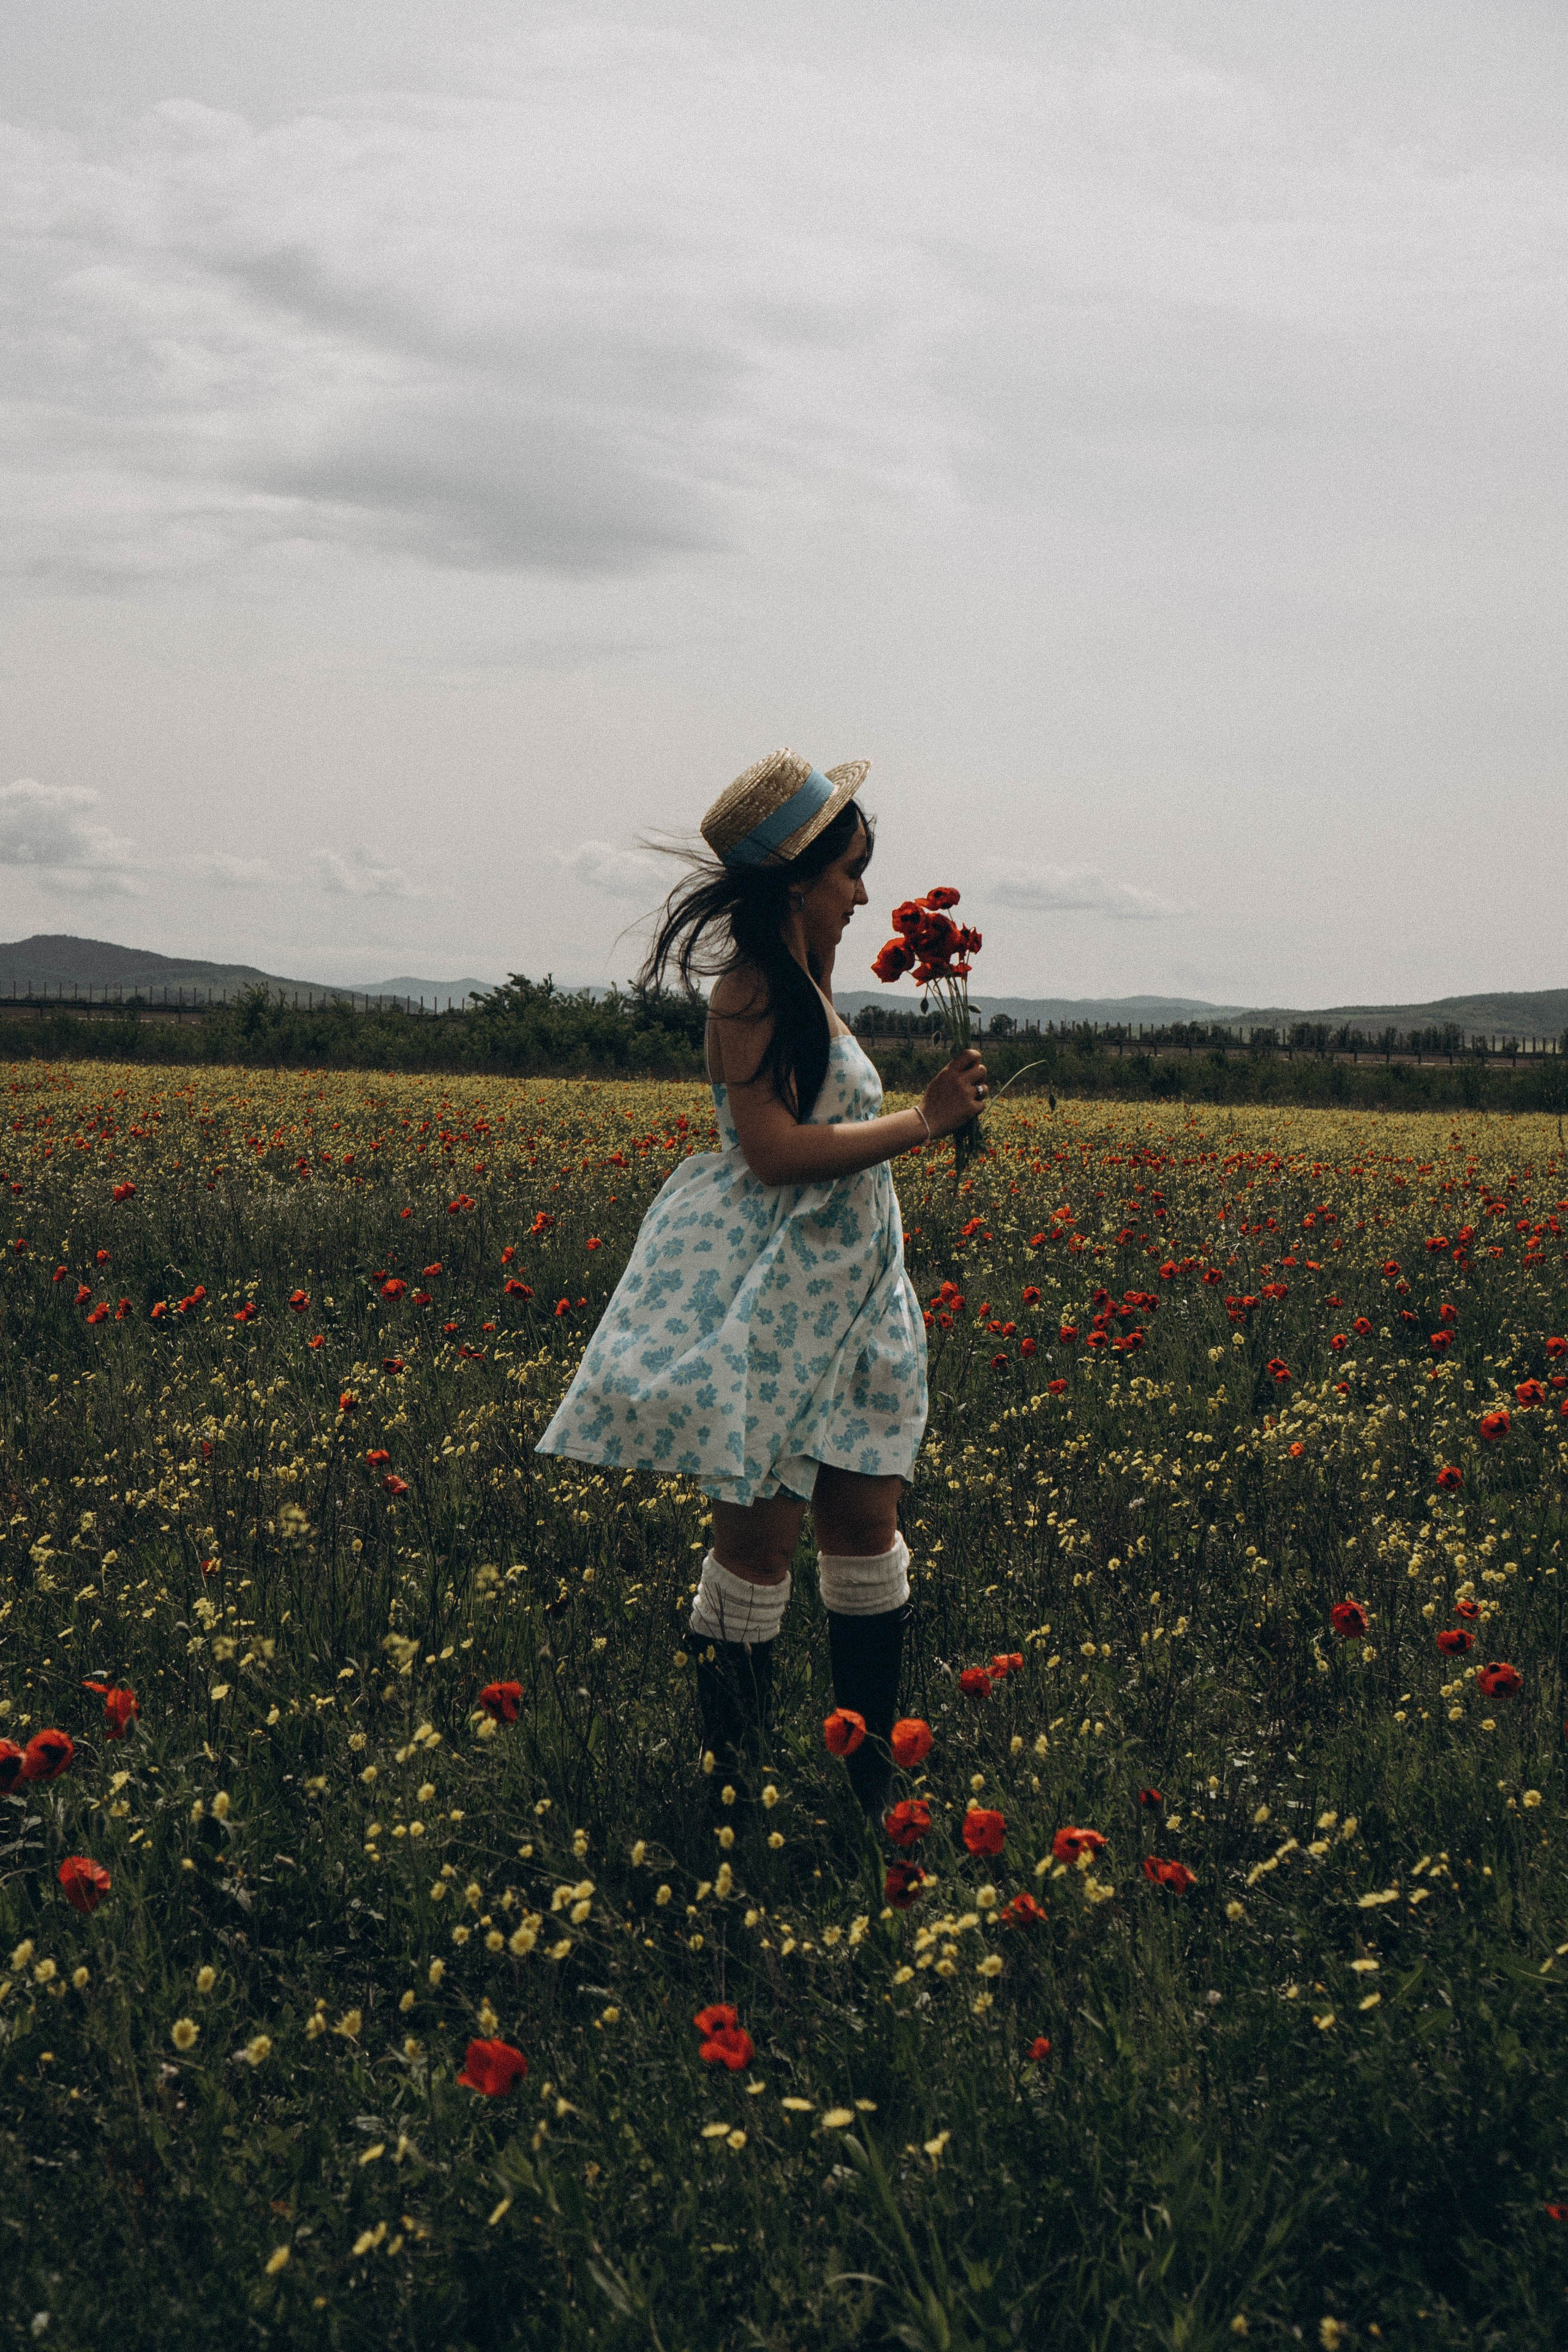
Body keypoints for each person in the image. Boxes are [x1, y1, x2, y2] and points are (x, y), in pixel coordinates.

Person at [535, 748, 986, 1815]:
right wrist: (924, 1123)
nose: (866, 895)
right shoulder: (749, 988)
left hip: (859, 1299)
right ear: (798, 882)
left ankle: (868, 1794)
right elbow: (775, 1150)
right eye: (850, 874)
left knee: (867, 1534)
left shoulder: (806, 984)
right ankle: (730, 1797)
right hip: (785, 1306)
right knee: (759, 1548)